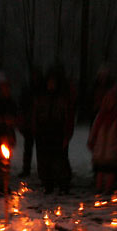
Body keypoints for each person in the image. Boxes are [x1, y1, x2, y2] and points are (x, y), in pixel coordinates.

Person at [31, 66, 75, 194]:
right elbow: (35, 115)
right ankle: (48, 184)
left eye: (53, 82)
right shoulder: (41, 98)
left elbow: (68, 118)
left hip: (58, 133)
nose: (51, 85)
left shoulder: (63, 99)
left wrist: (67, 136)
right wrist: (35, 131)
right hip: (43, 133)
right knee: (45, 161)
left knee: (60, 161)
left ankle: (63, 185)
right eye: (49, 82)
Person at [87, 89, 117, 195]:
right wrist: (91, 141)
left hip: (112, 148)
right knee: (100, 170)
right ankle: (99, 187)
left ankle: (107, 188)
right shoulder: (100, 116)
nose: (109, 103)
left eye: (111, 100)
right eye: (107, 100)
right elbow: (94, 130)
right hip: (100, 148)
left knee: (110, 170)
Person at [17, 68, 43, 177]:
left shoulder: (41, 90)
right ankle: (26, 169)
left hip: (38, 123)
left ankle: (40, 170)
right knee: (28, 148)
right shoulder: (29, 90)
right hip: (30, 123)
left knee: (39, 149)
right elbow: (22, 106)